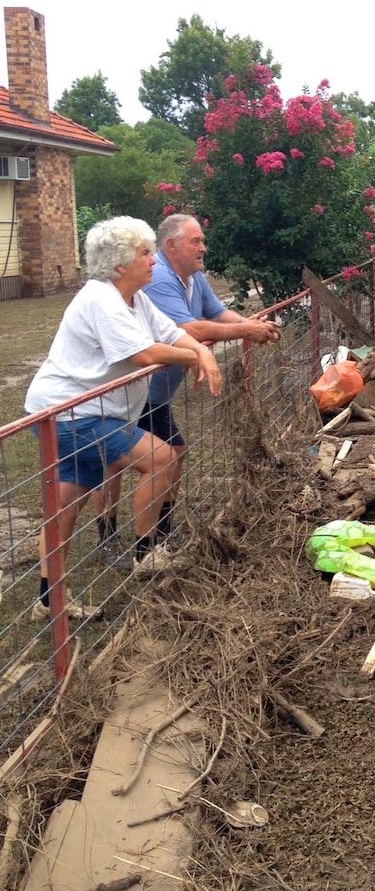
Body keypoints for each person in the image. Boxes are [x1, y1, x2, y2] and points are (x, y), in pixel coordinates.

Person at [24, 217, 222, 619]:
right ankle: (146, 554)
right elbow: (144, 355)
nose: (153, 261)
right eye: (145, 253)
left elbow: (169, 334)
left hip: (79, 412)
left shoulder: (135, 297)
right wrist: (198, 355)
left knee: (65, 507)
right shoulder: (101, 300)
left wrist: (197, 350)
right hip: (71, 415)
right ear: (119, 264)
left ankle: (49, 600)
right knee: (161, 459)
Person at [130, 214, 279, 543]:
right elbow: (186, 329)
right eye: (195, 241)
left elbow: (216, 312)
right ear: (171, 246)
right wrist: (245, 329)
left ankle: (162, 530)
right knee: (150, 462)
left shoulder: (194, 278)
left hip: (157, 395)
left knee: (175, 454)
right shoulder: (161, 280)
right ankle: (134, 539)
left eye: (202, 241)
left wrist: (250, 325)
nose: (203, 248)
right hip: (136, 393)